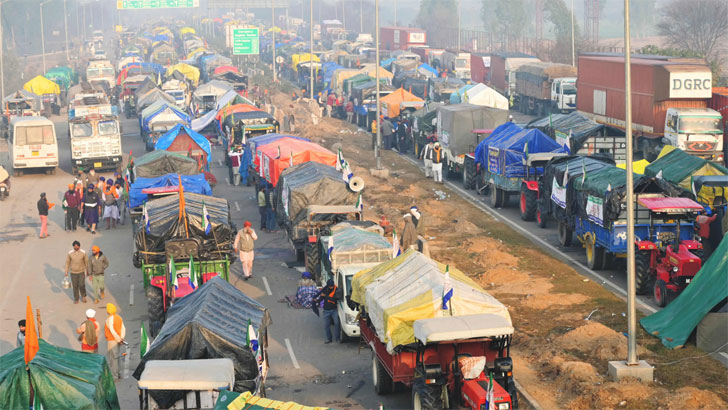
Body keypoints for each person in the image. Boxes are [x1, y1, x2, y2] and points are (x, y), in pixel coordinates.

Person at [314, 279, 341, 344]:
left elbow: (334, 299)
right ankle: (329, 339)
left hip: (334, 310)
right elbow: (321, 297)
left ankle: (337, 338)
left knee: (337, 324)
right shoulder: (325, 289)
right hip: (326, 310)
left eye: (332, 286)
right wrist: (317, 301)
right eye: (330, 286)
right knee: (326, 326)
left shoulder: (336, 290)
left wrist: (325, 296)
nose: (331, 287)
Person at [104, 303, 126, 380]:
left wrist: (118, 339)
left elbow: (112, 331)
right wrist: (121, 338)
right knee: (117, 357)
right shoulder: (119, 317)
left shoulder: (109, 319)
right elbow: (123, 328)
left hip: (112, 341)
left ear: (108, 311)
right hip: (118, 340)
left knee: (113, 359)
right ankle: (119, 373)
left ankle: (115, 376)